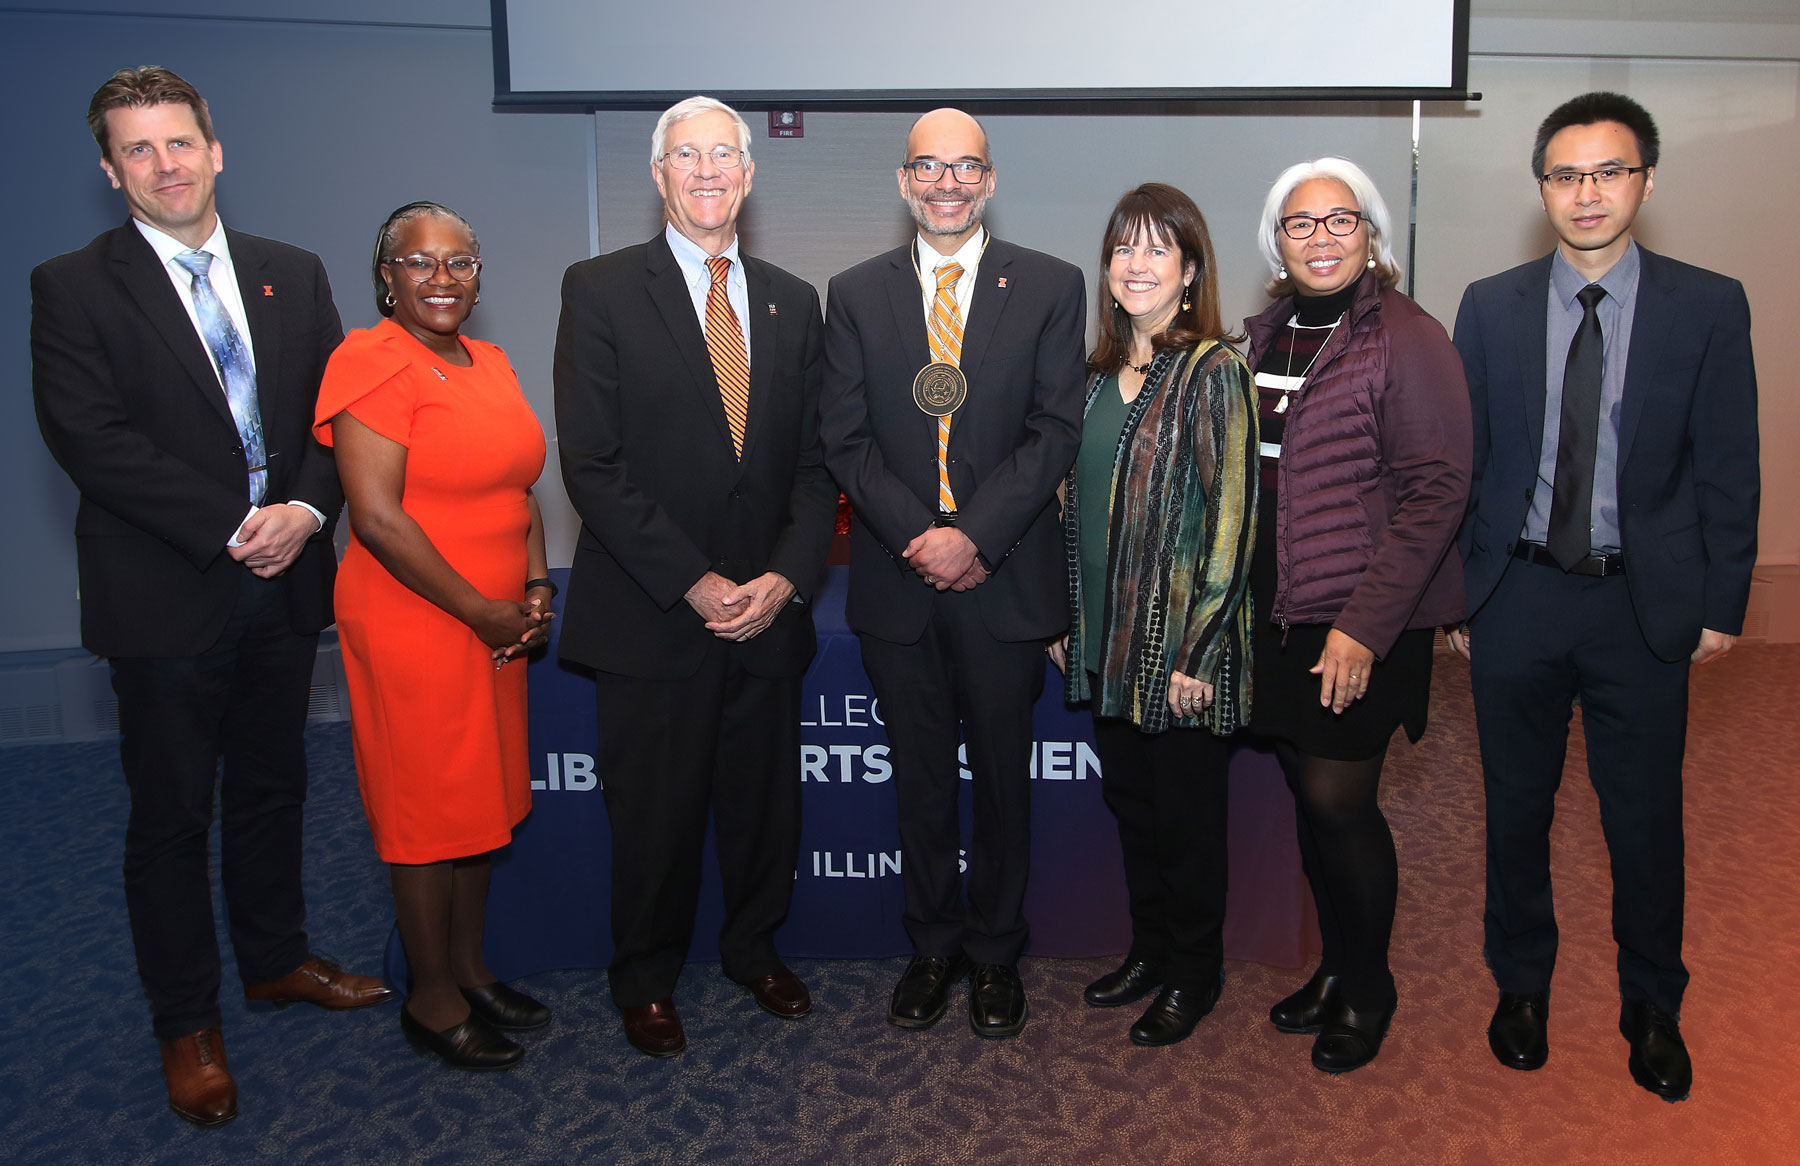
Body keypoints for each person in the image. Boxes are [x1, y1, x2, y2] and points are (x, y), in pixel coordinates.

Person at [29, 67, 390, 1128]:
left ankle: (276, 959)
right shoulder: (72, 285)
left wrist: (309, 513)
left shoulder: (291, 269)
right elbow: (89, 438)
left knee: (278, 787)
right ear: (110, 170)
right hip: (168, 593)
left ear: (215, 149)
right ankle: (186, 1020)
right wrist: (237, 524)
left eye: (179, 142)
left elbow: (341, 416)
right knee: (171, 816)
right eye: (138, 150)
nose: (165, 165)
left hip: (286, 584)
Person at [1450, 92, 1758, 1103]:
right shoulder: (1489, 304)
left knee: (1643, 815)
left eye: (1609, 171)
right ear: (1541, 188)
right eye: (1566, 175)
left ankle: (1652, 1000)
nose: (1587, 194)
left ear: (1647, 181)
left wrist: (1724, 599)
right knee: (1516, 808)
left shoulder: (1709, 304)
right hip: (1519, 595)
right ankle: (1522, 985)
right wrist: (1460, 593)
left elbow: (1729, 463)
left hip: (1643, 605)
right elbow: (1468, 463)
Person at [554, 96, 837, 1058]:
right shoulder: (598, 289)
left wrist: (786, 580)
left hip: (766, 614)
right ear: (659, 174)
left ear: (750, 175)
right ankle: (645, 976)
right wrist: (695, 581)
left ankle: (754, 950)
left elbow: (812, 466)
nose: (707, 169)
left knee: (763, 806)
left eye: (725, 154)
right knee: (654, 817)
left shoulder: (793, 301)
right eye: (687, 155)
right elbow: (591, 464)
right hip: (651, 614)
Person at [820, 108, 1086, 1040]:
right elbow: (843, 440)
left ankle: (997, 953)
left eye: (964, 167)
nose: (946, 183)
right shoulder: (853, 294)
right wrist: (922, 538)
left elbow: (1056, 430)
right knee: (921, 780)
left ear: (990, 179)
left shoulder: (1052, 285)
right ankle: (932, 945)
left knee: (1005, 783)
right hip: (900, 583)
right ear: (902, 181)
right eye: (928, 167)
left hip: (1003, 580)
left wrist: (972, 536)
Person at [1243, 157, 1471, 1073]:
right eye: (1301, 224)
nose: (1322, 237)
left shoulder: (1407, 337)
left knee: (1343, 803)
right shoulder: (1265, 334)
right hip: (1279, 613)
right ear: (1278, 241)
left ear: (1370, 233)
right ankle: (1336, 969)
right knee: (1308, 795)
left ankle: (1369, 986)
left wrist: (1364, 627)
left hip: (1361, 616)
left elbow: (1437, 491)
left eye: (1341, 221)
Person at [314, 202, 553, 1071]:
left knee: (479, 800)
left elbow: (520, 492)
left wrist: (530, 585)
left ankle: (470, 967)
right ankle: (430, 994)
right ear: (387, 276)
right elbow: (377, 519)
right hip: (416, 618)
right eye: (420, 262)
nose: (443, 277)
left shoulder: (488, 361)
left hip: (494, 619)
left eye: (460, 261)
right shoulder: (371, 362)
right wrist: (482, 610)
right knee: (426, 811)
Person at [1051, 183, 1257, 1046]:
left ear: (1190, 268)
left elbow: (1234, 522)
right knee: (1133, 807)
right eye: (1123, 248)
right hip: (1105, 641)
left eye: (1157, 249)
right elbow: (1070, 509)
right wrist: (1067, 621)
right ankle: (1149, 948)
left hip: (1177, 652)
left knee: (1187, 823)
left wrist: (1199, 653)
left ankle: (1193, 971)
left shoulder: (1214, 369)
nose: (1137, 265)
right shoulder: (1093, 377)